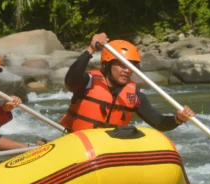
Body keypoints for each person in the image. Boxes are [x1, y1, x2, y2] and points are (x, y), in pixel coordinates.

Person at [59, 33, 195, 132]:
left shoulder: (134, 96)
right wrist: (91, 49)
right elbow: (70, 81)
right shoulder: (88, 83)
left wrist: (178, 119)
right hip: (80, 145)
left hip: (107, 151)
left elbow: (159, 123)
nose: (127, 70)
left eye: (131, 67)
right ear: (107, 65)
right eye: (122, 65)